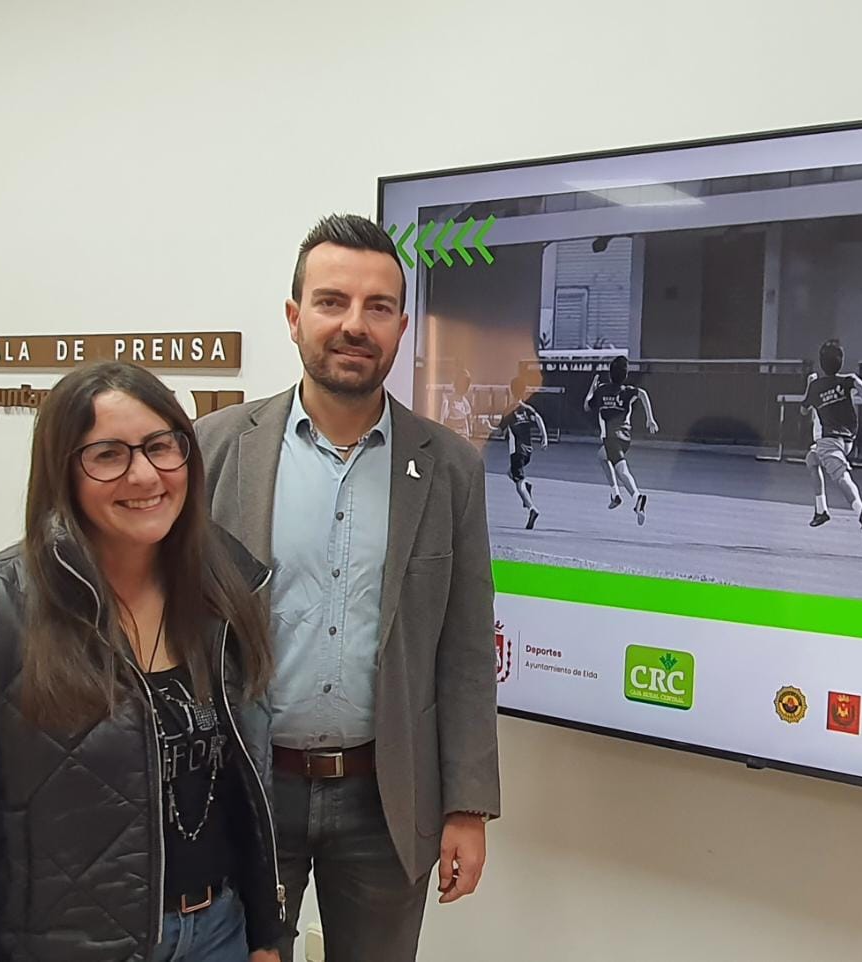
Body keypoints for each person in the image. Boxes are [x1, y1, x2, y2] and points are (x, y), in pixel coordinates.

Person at [0, 360, 283, 962]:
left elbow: (241, 788)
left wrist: (264, 933)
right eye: (108, 455)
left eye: (160, 446)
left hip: (218, 933)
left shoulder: (221, 594)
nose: (144, 474)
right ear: (63, 472)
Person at [194, 213, 499, 961]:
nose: (354, 325)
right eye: (332, 302)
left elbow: (464, 650)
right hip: (245, 786)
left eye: (378, 307)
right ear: (294, 317)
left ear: (401, 328)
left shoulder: (451, 468)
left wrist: (466, 807)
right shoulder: (217, 449)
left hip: (385, 799)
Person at [801, 338, 862, 543]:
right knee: (812, 460)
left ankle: (860, 510)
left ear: (821, 362)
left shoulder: (816, 385)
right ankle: (821, 510)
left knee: (841, 476)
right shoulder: (846, 380)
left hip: (829, 440)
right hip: (847, 438)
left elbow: (803, 410)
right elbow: (859, 384)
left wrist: (809, 386)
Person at [584, 354, 659, 525]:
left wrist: (592, 388)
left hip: (611, 437)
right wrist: (650, 418)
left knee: (622, 471)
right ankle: (615, 494)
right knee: (602, 457)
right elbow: (643, 394)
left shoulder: (601, 390)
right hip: (625, 438)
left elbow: (587, 405)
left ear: (610, 374)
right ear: (625, 375)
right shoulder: (627, 391)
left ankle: (637, 497)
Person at [498, 373, 549, 530]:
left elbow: (500, 431)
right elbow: (539, 418)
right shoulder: (527, 409)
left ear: (511, 390)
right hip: (528, 451)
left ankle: (532, 508)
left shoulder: (508, 410)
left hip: (516, 451)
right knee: (510, 473)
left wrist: (488, 427)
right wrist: (544, 437)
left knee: (518, 483)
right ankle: (527, 486)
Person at [439, 368, 476, 439]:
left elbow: (467, 422)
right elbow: (442, 420)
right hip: (451, 435)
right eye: (461, 384)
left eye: (466, 385)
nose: (464, 387)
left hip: (462, 435)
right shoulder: (448, 401)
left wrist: (467, 435)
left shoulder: (465, 403)